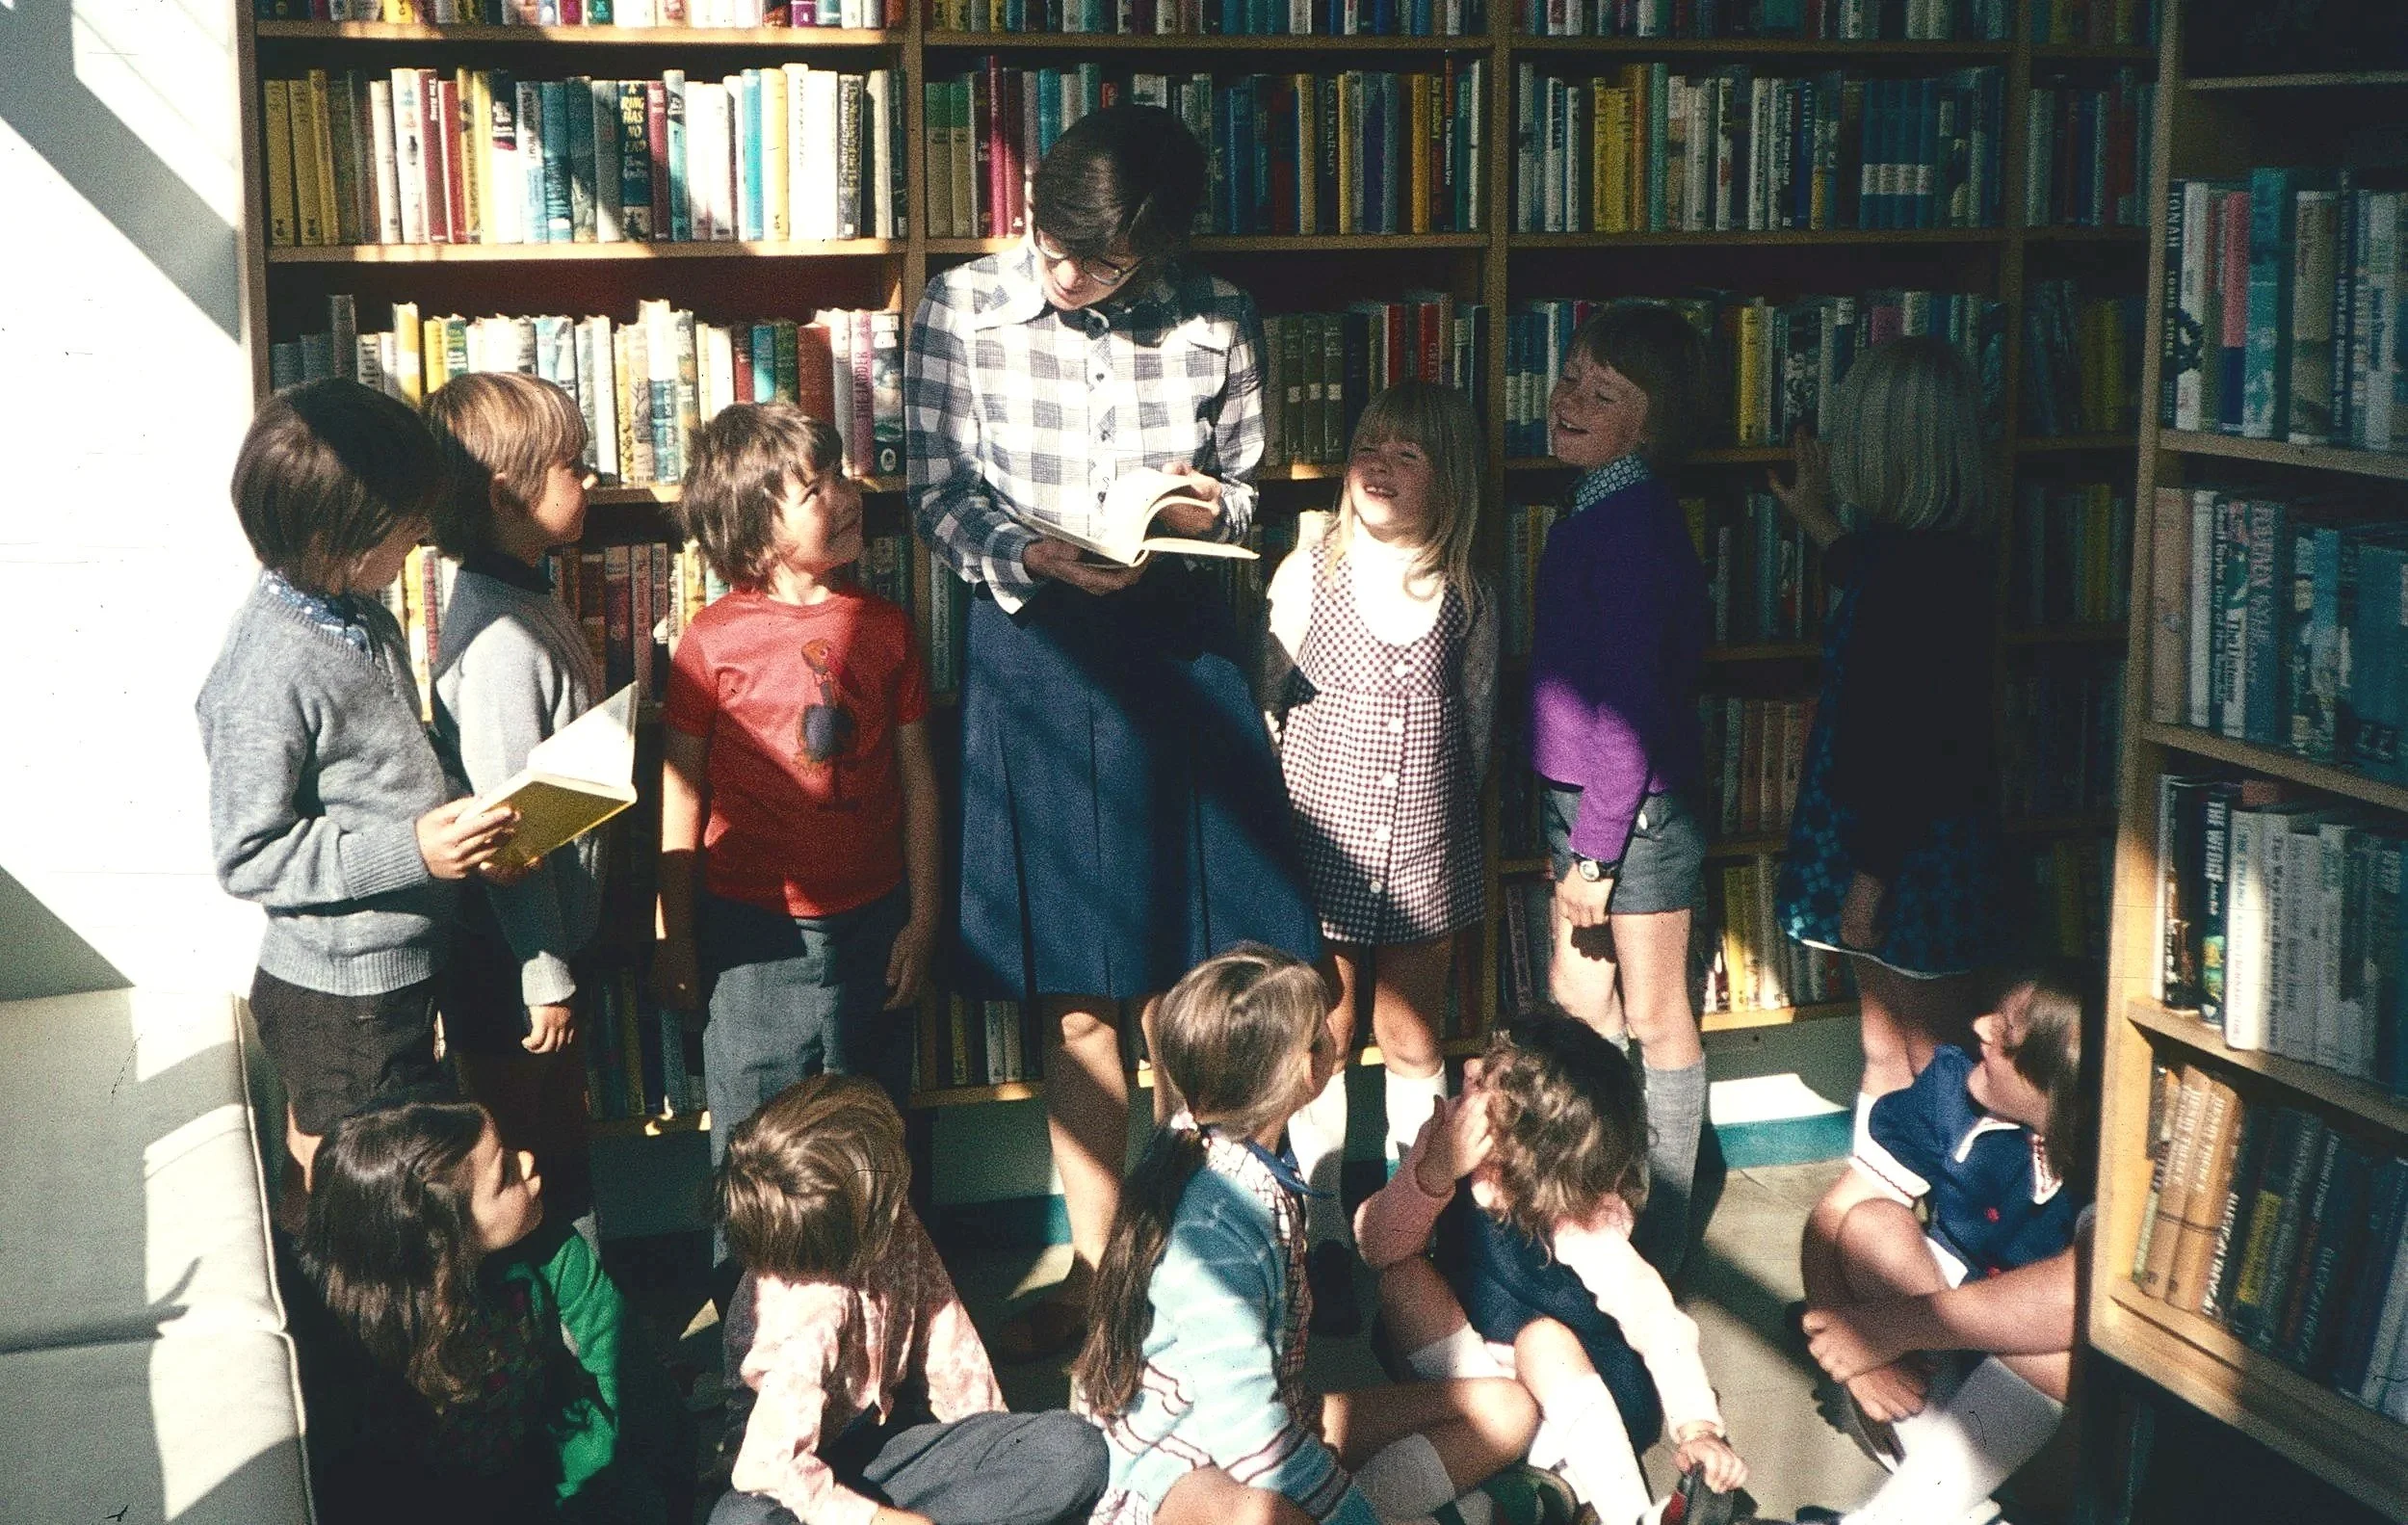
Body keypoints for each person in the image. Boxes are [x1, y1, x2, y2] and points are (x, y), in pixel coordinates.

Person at [905, 103, 1321, 1359]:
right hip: (1036, 649)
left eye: (1102, 263)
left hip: (1178, 639)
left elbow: (1251, 481)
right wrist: (1020, 548)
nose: (1067, 277)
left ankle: (1224, 1257)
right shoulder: (959, 308)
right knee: (1077, 982)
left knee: (1207, 970)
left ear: (1159, 246)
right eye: (1051, 245)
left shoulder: (1219, 313)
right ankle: (1104, 1281)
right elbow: (935, 492)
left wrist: (1206, 502)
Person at [1076, 946, 1561, 1525]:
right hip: (1174, 1471)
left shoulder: (1234, 1151)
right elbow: (1249, 1440)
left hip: (1271, 1420)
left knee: (1504, 1409)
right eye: (1321, 1029)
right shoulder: (1212, 1229)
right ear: (1307, 1069)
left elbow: (1263, 1420)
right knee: (1264, 1515)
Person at [197, 379, 517, 1223]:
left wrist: (470, 817)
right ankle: (354, 1355)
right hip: (340, 1003)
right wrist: (414, 851)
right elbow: (248, 853)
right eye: (402, 527)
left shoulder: (358, 614)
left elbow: (389, 765)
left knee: (410, 1206)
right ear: (327, 536)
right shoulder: (267, 669)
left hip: (398, 974)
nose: (420, 538)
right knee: (364, 1218)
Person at [649, 402, 940, 1294]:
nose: (846, 496)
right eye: (816, 489)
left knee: (873, 1132)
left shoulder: (887, 628)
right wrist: (674, 934)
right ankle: (751, 1334)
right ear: (754, 531)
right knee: (757, 1144)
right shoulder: (710, 643)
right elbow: (681, 793)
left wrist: (925, 917)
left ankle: (885, 1321)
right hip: (751, 942)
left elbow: (920, 782)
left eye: (840, 475)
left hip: (873, 924)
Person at [1262, 379, 1498, 1335]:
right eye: (1368, 444)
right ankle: (1316, 1224)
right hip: (1320, 843)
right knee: (1324, 1030)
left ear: (1448, 484)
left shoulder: (1466, 593)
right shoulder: (1308, 570)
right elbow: (1265, 700)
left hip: (1427, 849)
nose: (1379, 464)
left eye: (1408, 454)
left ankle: (1415, 1216)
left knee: (1410, 1036)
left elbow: (1476, 725)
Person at [1357, 1010, 1747, 1525]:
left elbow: (1656, 1320)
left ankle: (1621, 1513)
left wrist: (1697, 1426)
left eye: (1483, 1081)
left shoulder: (1578, 1218)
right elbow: (1375, 1245)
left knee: (1542, 1340)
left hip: (1583, 1391)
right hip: (1486, 1389)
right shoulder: (1443, 1145)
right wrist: (1431, 1176)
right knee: (1402, 1281)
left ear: (1520, 1142)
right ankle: (1514, 1477)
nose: (1467, 1067)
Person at [1767, 334, 2011, 1146]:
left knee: (1928, 1057)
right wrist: (1820, 524)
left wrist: (1868, 881)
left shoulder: (1909, 584)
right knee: (1891, 1050)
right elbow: (1868, 574)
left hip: (1902, 860)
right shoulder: (1935, 564)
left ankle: (1933, 1225)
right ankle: (1879, 1212)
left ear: (1883, 449)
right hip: (1921, 851)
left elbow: (1908, 748)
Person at [1529, 302, 1721, 1276]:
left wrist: (1595, 852)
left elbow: (1630, 709)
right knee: (1578, 1018)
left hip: (1628, 814)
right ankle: (1587, 1218)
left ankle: (1668, 1235)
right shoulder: (1595, 503)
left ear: (1650, 425)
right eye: (1569, 377)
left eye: (1604, 393)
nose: (1571, 398)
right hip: (1589, 805)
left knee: (1653, 1017)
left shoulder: (1632, 522)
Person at [710, 1074, 1108, 1525]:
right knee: (741, 1520)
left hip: (882, 1447)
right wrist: (876, 1520)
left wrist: (991, 1442)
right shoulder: (807, 1313)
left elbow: (949, 1350)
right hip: (784, 1476)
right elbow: (768, 1466)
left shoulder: (894, 1226)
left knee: (1075, 1449)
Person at [292, 1100, 685, 1524]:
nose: (529, 1160)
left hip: (543, 1473)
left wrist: (593, 1471)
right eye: (504, 1175)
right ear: (444, 1236)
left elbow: (623, 1365)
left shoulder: (549, 1245)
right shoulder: (347, 1336)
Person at [1794, 970, 2087, 1525]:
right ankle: (1946, 1503)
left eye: (2004, 1035)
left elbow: (2075, 1303)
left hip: (2055, 1426)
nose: (1979, 1026)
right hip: (1929, 1388)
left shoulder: (2105, 1153)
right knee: (1869, 1226)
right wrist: (1849, 1344)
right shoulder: (1952, 1086)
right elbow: (1832, 1217)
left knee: (2066, 1344)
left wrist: (1894, 1328)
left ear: (2058, 1085)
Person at [427, 371, 607, 1240]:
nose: (593, 479)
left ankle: (588, 1353)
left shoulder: (526, 593)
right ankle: (554, 1358)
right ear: (507, 496)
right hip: (514, 961)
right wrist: (546, 973)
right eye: (574, 465)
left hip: (542, 944)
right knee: (528, 1177)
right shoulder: (500, 637)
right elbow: (508, 830)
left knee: (560, 1159)